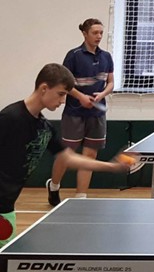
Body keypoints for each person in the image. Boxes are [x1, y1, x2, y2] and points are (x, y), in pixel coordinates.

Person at [0, 63, 131, 247]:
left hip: (6, 205)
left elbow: (68, 158)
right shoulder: (10, 118)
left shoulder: (45, 128)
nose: (63, 101)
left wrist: (112, 166)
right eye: (61, 94)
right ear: (44, 88)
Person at [47, 18, 114, 205]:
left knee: (89, 156)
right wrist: (81, 97)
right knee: (66, 154)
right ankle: (54, 186)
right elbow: (64, 84)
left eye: (101, 33)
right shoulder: (73, 56)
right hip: (74, 113)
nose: (99, 36)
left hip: (97, 115)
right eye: (95, 33)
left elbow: (110, 82)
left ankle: (81, 198)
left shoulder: (106, 56)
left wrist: (102, 94)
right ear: (85, 34)